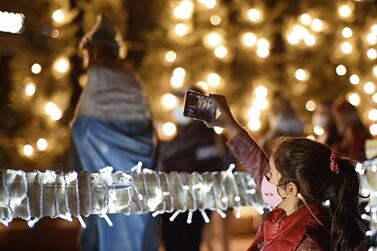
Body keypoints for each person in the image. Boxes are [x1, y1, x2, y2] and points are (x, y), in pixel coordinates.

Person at [203, 94, 365, 250]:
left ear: (291, 189)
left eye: (271, 174)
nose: (264, 177)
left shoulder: (306, 243)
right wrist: (230, 124)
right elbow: (255, 162)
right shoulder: (289, 210)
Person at [70, 15, 159, 251]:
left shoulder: (97, 75)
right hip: (139, 168)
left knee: (102, 219)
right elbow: (149, 128)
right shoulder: (133, 79)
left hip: (101, 162)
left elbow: (84, 127)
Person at [159, 87, 226, 251]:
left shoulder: (199, 134)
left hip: (186, 202)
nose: (179, 106)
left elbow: (174, 155)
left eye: (183, 102)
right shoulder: (193, 132)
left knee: (182, 242)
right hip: (190, 202)